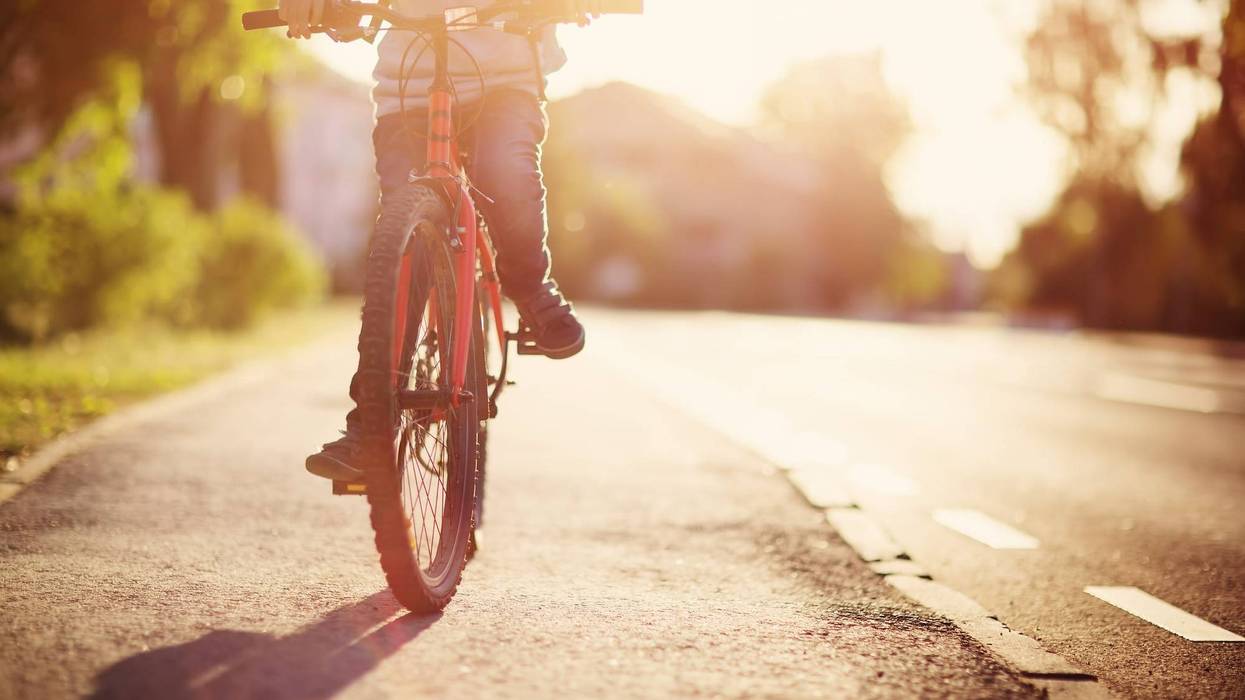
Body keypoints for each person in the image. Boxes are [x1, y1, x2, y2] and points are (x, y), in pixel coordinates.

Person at [279, 0, 597, 481]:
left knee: (505, 175)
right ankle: (370, 425)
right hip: (409, 89)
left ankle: (533, 289)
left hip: (504, 84)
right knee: (404, 250)